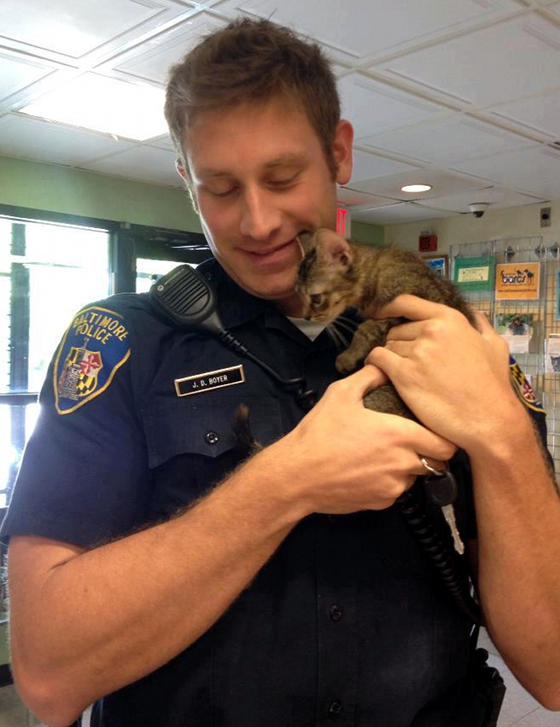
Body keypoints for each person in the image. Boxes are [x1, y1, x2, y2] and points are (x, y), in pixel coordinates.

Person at [3, 17, 560, 727]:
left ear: (340, 152)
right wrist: (285, 482)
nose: (259, 221)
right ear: (185, 180)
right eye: (221, 188)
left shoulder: (449, 331)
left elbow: (554, 670)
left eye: (283, 176)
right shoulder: (119, 344)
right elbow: (48, 678)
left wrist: (503, 435)